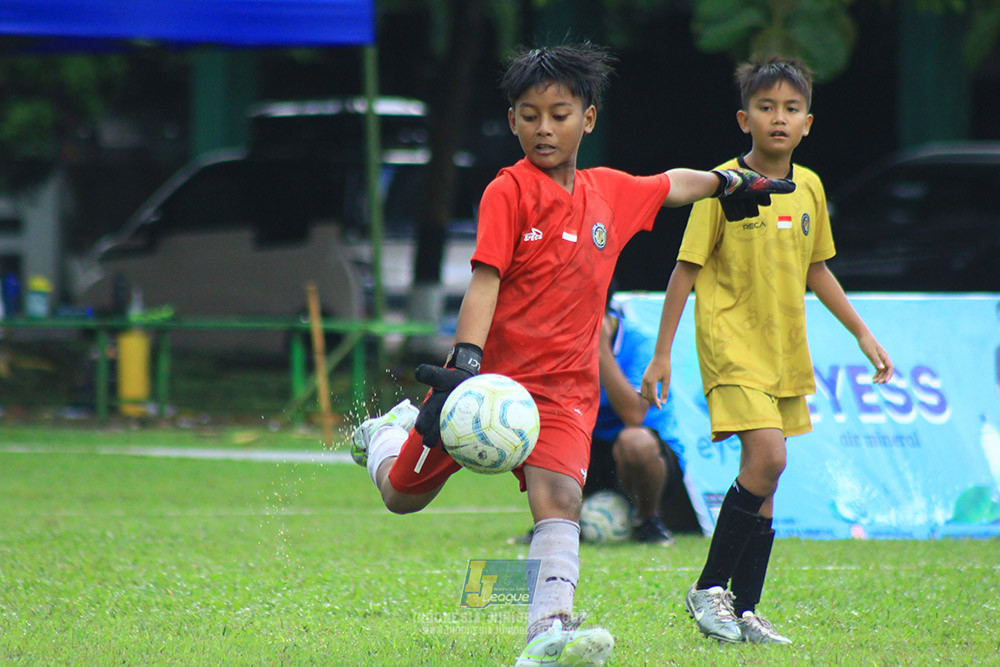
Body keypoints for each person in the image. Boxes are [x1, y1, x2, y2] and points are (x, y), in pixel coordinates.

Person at [350, 42, 794, 667]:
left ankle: (548, 630)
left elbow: (670, 184)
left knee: (559, 500)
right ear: (512, 122)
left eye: (559, 114)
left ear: (587, 119)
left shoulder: (608, 193)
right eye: (529, 115)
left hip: (563, 395)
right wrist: (467, 362)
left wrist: (728, 182)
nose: (543, 128)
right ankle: (384, 434)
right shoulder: (508, 192)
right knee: (403, 497)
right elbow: (484, 280)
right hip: (486, 385)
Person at [640, 55, 894, 646]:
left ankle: (745, 609)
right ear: (743, 118)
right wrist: (661, 354)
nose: (778, 118)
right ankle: (708, 589)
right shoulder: (721, 185)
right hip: (731, 348)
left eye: (791, 108)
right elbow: (684, 271)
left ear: (808, 123)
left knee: (766, 480)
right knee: (769, 459)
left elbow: (818, 270)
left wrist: (862, 332)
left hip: (784, 353)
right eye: (765, 107)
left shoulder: (809, 186)